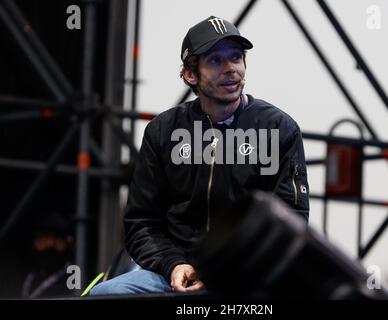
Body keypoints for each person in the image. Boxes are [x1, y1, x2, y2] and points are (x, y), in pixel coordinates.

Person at [89, 15, 309, 296]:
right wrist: (174, 265)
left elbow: (292, 221)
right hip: (172, 275)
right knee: (102, 295)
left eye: (236, 57)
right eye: (216, 60)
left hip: (246, 276)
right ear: (190, 74)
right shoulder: (163, 130)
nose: (231, 68)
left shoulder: (280, 128)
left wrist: (227, 272)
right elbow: (141, 222)